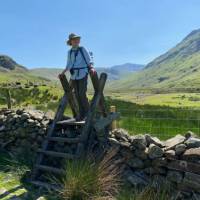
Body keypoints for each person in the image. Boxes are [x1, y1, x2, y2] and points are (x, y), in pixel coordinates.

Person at [59, 33, 96, 121]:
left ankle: (88, 114)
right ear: (70, 42)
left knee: (82, 94)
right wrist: (63, 72)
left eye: (77, 39)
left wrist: (91, 68)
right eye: (74, 39)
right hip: (74, 75)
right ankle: (81, 115)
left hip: (83, 72)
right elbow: (69, 64)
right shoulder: (70, 52)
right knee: (77, 95)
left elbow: (89, 59)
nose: (76, 41)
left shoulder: (82, 49)